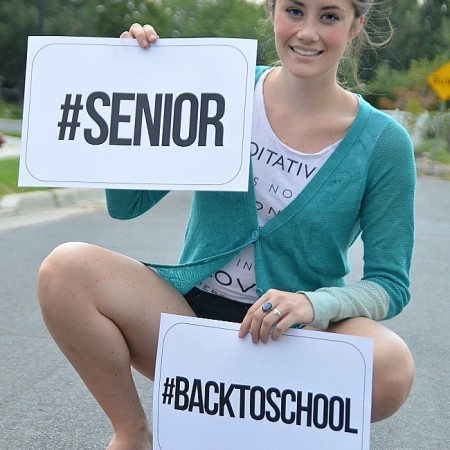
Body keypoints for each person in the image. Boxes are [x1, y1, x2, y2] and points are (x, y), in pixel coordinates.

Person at [37, 1, 416, 449]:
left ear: (356, 27)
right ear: (273, 13)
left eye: (329, 16)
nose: (308, 32)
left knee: (393, 365)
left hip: (294, 340)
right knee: (65, 270)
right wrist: (135, 88)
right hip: (187, 320)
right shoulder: (222, 89)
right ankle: (132, 433)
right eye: (294, 10)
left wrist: (314, 303)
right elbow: (126, 204)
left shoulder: (384, 144)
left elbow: (389, 284)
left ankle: (271, 428)